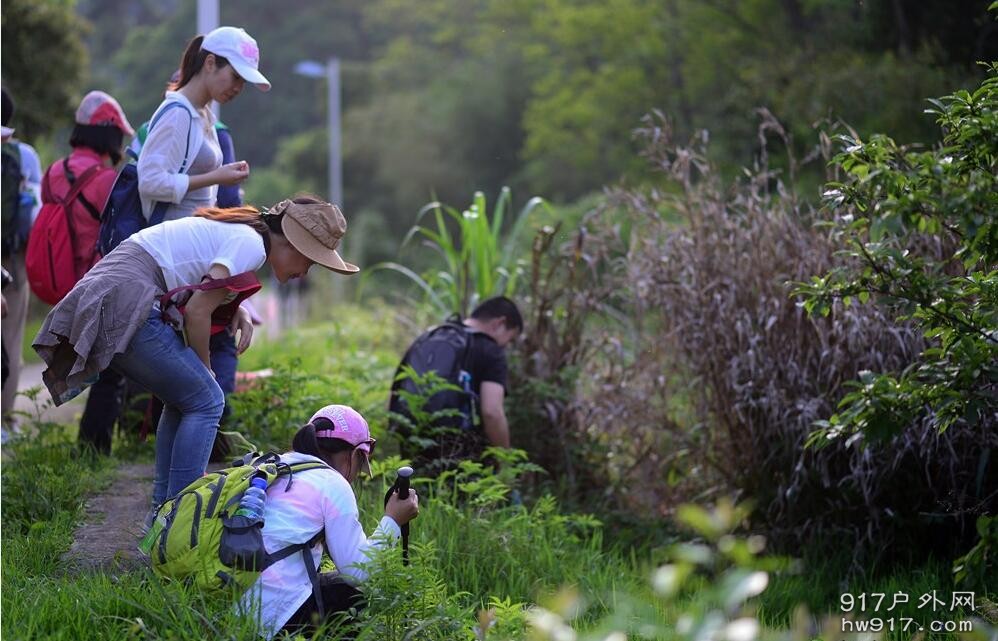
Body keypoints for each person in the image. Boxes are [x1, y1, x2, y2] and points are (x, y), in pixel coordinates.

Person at [33, 196, 359, 511]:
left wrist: (237, 309)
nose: (306, 272)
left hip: (115, 288)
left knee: (184, 399)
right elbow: (197, 311)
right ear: (292, 244)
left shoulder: (246, 235)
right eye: (311, 261)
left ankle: (165, 514)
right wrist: (205, 368)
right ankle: (181, 514)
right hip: (127, 294)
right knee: (207, 399)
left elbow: (204, 287)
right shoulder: (250, 245)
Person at [240, 404, 420, 639]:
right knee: (352, 591)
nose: (356, 476)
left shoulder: (274, 466)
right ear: (355, 454)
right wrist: (393, 520)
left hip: (232, 608)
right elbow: (359, 571)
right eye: (360, 464)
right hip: (270, 618)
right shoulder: (332, 483)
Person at [40, 91, 135, 453]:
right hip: (97, 283)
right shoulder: (106, 180)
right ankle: (94, 449)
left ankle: (91, 446)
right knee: (111, 370)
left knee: (96, 366)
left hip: (63, 282)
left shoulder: (54, 172)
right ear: (110, 135)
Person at [137, 26, 269, 224]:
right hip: (170, 243)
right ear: (210, 63)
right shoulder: (178, 113)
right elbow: (150, 182)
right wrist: (216, 177)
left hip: (190, 240)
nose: (238, 88)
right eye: (235, 77)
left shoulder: (202, 114)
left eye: (244, 82)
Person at [389, 296, 522, 473]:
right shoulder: (491, 351)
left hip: (411, 442)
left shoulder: (428, 336)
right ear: (499, 323)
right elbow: (492, 412)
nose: (506, 345)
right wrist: (505, 462)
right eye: (510, 339)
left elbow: (396, 391)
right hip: (458, 453)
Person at [1, 87, 42, 423]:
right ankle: (5, 419)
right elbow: (37, 212)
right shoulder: (24, 156)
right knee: (11, 338)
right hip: (14, 260)